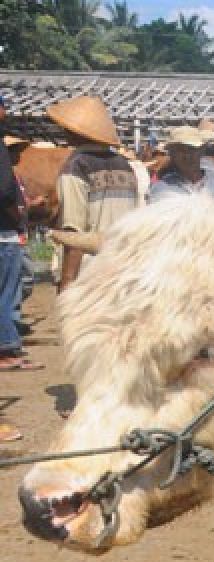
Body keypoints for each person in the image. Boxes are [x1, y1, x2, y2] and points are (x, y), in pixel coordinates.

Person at [49, 95, 138, 292]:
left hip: (91, 270)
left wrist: (67, 281)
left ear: (73, 132)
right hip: (126, 265)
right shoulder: (125, 165)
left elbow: (74, 230)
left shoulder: (76, 167)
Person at [0, 93, 40, 385]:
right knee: (7, 292)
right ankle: (7, 350)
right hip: (5, 234)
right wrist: (17, 220)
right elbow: (3, 194)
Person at [148, 126, 214, 203]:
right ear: (172, 154)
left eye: (192, 149)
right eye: (180, 150)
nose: (187, 155)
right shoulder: (161, 189)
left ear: (201, 150)